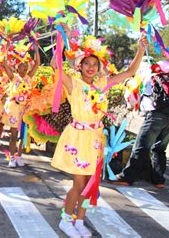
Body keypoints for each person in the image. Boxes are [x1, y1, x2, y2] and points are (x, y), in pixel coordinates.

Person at [51, 30, 147, 238]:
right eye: (87, 63)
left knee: (91, 184)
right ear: (80, 65)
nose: (91, 67)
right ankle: (66, 220)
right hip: (77, 138)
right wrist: (63, 38)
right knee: (79, 184)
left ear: (99, 66)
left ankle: (80, 221)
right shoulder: (73, 84)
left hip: (95, 139)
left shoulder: (103, 84)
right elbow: (55, 66)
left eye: (94, 64)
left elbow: (130, 72)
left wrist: (140, 50)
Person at [110, 62, 169, 189]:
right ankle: (159, 180)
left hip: (155, 116)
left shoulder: (150, 77)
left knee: (140, 147)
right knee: (159, 149)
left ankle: (126, 177)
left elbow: (138, 98)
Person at [2, 44, 40, 167]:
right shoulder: (14, 77)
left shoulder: (29, 77)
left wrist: (37, 49)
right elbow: (5, 64)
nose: (24, 70)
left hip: (25, 109)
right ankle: (11, 157)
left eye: (25, 68)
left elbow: (37, 64)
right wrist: (6, 50)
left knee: (23, 135)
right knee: (13, 134)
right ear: (17, 68)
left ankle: (19, 156)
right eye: (21, 68)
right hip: (14, 108)